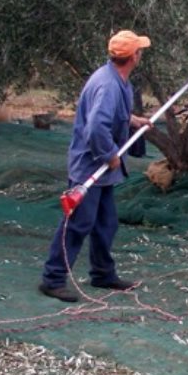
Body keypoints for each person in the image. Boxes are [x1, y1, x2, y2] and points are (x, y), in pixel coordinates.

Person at [39, 30, 153, 302]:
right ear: (133, 56)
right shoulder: (108, 85)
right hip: (90, 168)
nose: (141, 55)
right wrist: (110, 154)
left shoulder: (118, 80)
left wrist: (132, 120)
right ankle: (52, 279)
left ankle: (102, 273)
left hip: (103, 172)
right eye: (140, 50)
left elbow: (112, 115)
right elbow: (96, 128)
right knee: (78, 224)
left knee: (106, 223)